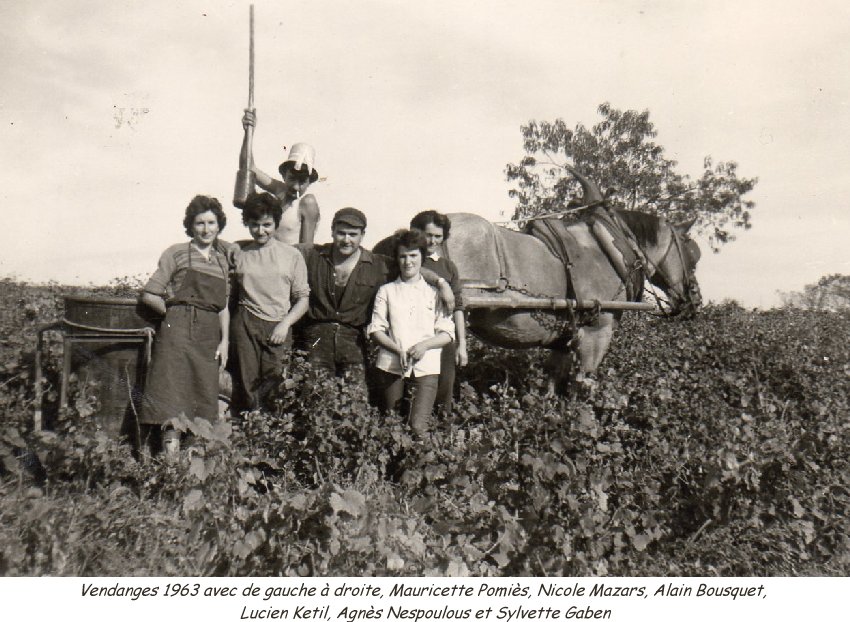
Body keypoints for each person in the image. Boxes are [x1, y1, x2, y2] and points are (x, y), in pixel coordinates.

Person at [297, 208, 455, 395]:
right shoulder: (312, 255)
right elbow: (280, 253)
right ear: (332, 232)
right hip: (317, 337)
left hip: (352, 339)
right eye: (341, 233)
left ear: (362, 235)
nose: (346, 240)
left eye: (353, 234)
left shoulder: (377, 264)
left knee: (355, 397)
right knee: (315, 394)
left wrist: (441, 283)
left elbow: (411, 267)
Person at [139, 195, 236, 456]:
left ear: (219, 225)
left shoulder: (222, 261)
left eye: (211, 223)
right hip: (177, 335)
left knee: (202, 399)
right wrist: (173, 314)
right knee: (172, 398)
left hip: (208, 337)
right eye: (200, 223)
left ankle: (192, 463)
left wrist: (225, 340)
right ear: (191, 226)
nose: (206, 229)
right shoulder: (176, 253)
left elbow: (223, 306)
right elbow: (150, 294)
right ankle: (170, 465)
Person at [367, 229, 455, 438]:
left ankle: (422, 459)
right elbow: (376, 329)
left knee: (418, 426)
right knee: (392, 424)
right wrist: (397, 349)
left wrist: (424, 346)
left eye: (413, 255)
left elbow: (447, 333)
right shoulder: (387, 291)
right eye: (403, 256)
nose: (408, 262)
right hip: (391, 366)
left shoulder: (434, 294)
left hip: (426, 368)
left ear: (422, 257)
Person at [231, 192, 310, 411]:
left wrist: (285, 324)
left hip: (278, 325)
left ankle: (271, 431)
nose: (260, 231)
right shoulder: (240, 254)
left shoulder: (291, 255)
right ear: (247, 223)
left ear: (276, 223)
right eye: (254, 225)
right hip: (245, 323)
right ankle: (251, 428)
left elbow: (303, 299)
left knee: (275, 385)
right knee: (247, 383)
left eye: (267, 224)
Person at [409, 210, 468, 416]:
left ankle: (442, 430)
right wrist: (441, 283)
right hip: (413, 336)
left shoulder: (448, 266)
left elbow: (458, 307)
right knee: (413, 390)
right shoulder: (408, 259)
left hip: (442, 338)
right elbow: (414, 270)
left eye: (438, 236)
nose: (432, 241)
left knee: (444, 389)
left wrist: (462, 345)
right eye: (428, 235)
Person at [239, 109, 320, 244]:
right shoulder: (280, 191)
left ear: (310, 181)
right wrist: (248, 132)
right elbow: (248, 168)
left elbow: (306, 249)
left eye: (302, 182)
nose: (295, 187)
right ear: (284, 176)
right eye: (292, 179)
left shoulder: (307, 202)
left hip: (290, 257)